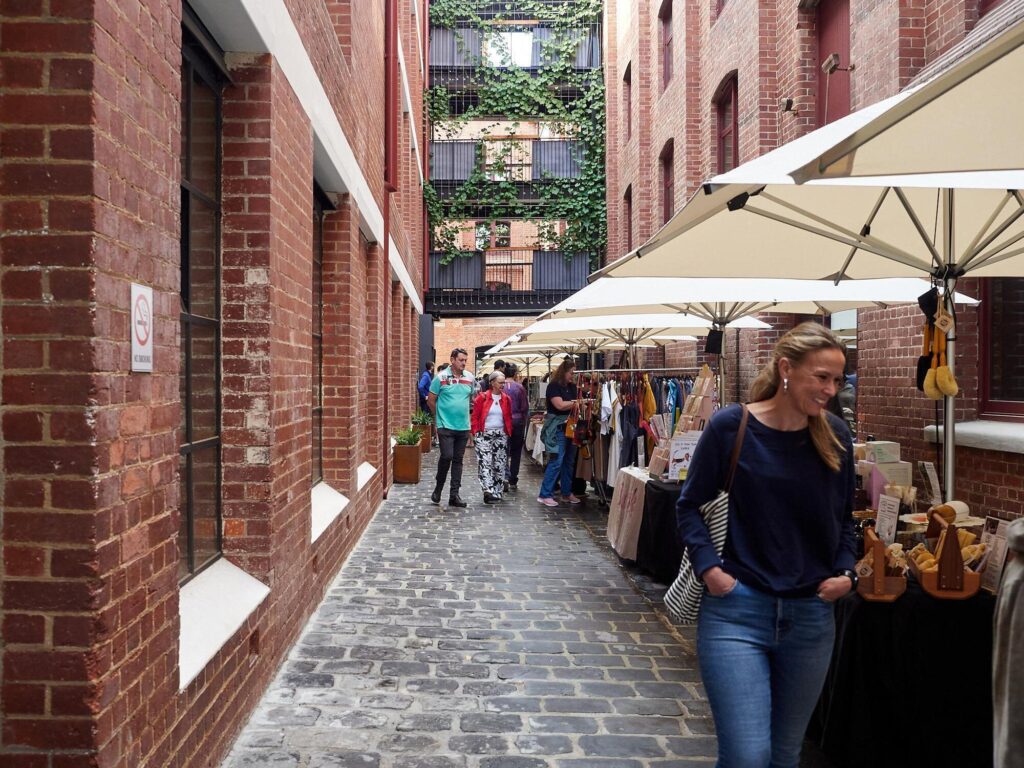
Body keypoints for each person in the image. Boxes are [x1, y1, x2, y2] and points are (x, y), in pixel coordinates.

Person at [676, 322, 856, 768]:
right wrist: (710, 571)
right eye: (822, 377)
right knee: (746, 755)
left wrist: (847, 575)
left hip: (812, 615)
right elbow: (688, 506)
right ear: (786, 370)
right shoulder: (731, 427)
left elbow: (845, 521)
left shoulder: (835, 435)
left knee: (783, 755)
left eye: (838, 380)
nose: (831, 389)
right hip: (737, 611)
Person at [427, 348, 474, 508]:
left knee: (458, 460)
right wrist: (438, 418)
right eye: (461, 360)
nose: (463, 363)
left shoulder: (470, 378)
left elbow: (470, 400)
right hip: (445, 425)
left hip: (463, 427)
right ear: (452, 360)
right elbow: (431, 400)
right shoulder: (440, 378)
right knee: (446, 456)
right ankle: (438, 488)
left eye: (465, 360)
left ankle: (454, 495)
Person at [538, 358, 581, 507]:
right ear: (564, 372)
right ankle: (545, 494)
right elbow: (560, 405)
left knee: (569, 462)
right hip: (558, 428)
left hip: (571, 427)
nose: (573, 376)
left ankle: (566, 492)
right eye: (571, 372)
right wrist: (577, 403)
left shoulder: (573, 387)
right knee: (556, 461)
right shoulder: (553, 386)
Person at [472, 370, 513, 504]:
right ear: (492, 383)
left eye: (504, 383)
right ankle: (488, 490)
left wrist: (508, 432)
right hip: (484, 434)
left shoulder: (506, 399)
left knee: (499, 463)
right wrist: (475, 433)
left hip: (501, 434)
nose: (503, 385)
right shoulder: (482, 398)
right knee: (485, 462)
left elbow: (508, 416)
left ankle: (497, 491)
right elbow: (475, 417)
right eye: (500, 382)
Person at [503, 363, 529, 491]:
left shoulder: (501, 387)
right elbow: (524, 407)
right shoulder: (519, 388)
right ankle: (513, 477)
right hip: (517, 421)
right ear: (514, 374)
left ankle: (505, 475)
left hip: (503, 421)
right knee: (516, 451)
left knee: (504, 449)